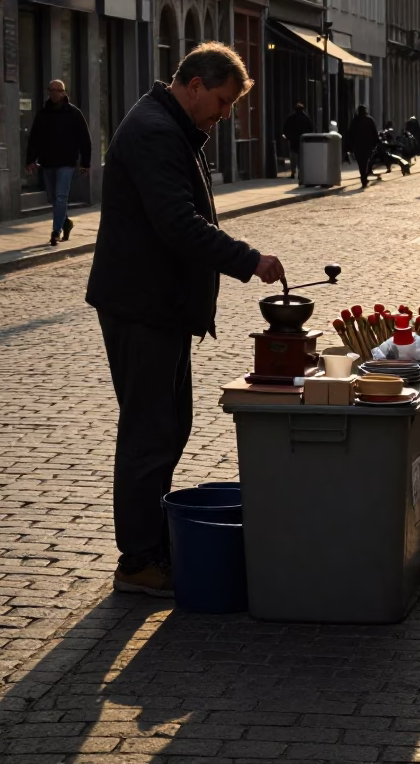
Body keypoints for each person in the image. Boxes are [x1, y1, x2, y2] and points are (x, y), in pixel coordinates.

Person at [85, 44, 285, 596]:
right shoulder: (155, 131)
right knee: (149, 432)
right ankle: (139, 560)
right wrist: (250, 260)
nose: (224, 117)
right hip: (141, 306)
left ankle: (153, 544)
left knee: (170, 425)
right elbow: (178, 223)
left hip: (162, 308)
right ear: (194, 85)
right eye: (222, 103)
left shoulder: (173, 126)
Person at [25, 80, 92, 246]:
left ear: (64, 93)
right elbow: (34, 139)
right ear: (48, 92)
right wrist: (30, 160)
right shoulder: (42, 114)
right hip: (47, 162)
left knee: (61, 196)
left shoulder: (74, 113)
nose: (54, 93)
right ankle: (66, 222)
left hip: (66, 163)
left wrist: (85, 162)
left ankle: (56, 232)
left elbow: (85, 139)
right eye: (51, 90)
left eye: (58, 90)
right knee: (53, 198)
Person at [346, 104, 380, 189]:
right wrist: (377, 142)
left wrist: (349, 146)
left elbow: (350, 134)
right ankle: (364, 179)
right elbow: (374, 132)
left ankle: (363, 178)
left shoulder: (355, 121)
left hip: (357, 147)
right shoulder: (369, 120)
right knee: (365, 162)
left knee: (361, 164)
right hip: (368, 146)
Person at [282, 102, 313, 179]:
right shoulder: (306, 118)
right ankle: (300, 173)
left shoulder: (291, 118)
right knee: (301, 158)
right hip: (303, 141)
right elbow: (311, 129)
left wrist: (288, 137)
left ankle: (293, 173)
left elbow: (286, 129)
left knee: (293, 158)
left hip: (293, 141)